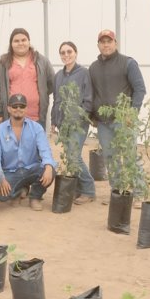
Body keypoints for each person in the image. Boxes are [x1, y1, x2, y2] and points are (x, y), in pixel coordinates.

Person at [89, 29, 146, 203]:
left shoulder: (128, 63)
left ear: (116, 43)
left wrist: (132, 113)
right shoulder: (94, 67)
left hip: (124, 120)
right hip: (104, 123)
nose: (106, 45)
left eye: (109, 41)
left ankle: (139, 193)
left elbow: (140, 89)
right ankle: (118, 192)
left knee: (129, 155)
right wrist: (92, 115)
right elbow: (92, 93)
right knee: (110, 157)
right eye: (102, 42)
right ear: (98, 45)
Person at [0, 93, 56, 211]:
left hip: (31, 169)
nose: (18, 109)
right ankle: (21, 189)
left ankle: (35, 197)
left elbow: (45, 150)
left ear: (26, 109)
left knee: (50, 169)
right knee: (1, 196)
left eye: (22, 106)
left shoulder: (36, 128)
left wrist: (48, 166)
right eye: (15, 106)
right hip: (10, 172)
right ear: (9, 108)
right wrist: (1, 178)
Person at [51, 41, 96, 205]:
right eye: (62, 53)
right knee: (70, 158)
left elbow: (88, 99)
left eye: (69, 52)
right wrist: (54, 121)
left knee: (73, 156)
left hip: (78, 123)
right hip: (63, 123)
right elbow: (56, 100)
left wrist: (79, 117)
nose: (66, 55)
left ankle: (88, 189)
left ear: (75, 53)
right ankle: (78, 189)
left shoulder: (84, 73)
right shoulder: (58, 76)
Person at [0, 28, 55, 130]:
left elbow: (52, 83)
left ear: (29, 42)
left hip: (36, 117)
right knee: (13, 145)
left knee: (36, 145)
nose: (20, 43)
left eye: (23, 40)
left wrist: (39, 94)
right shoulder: (1, 64)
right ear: (11, 44)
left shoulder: (42, 61)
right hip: (11, 118)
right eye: (16, 41)